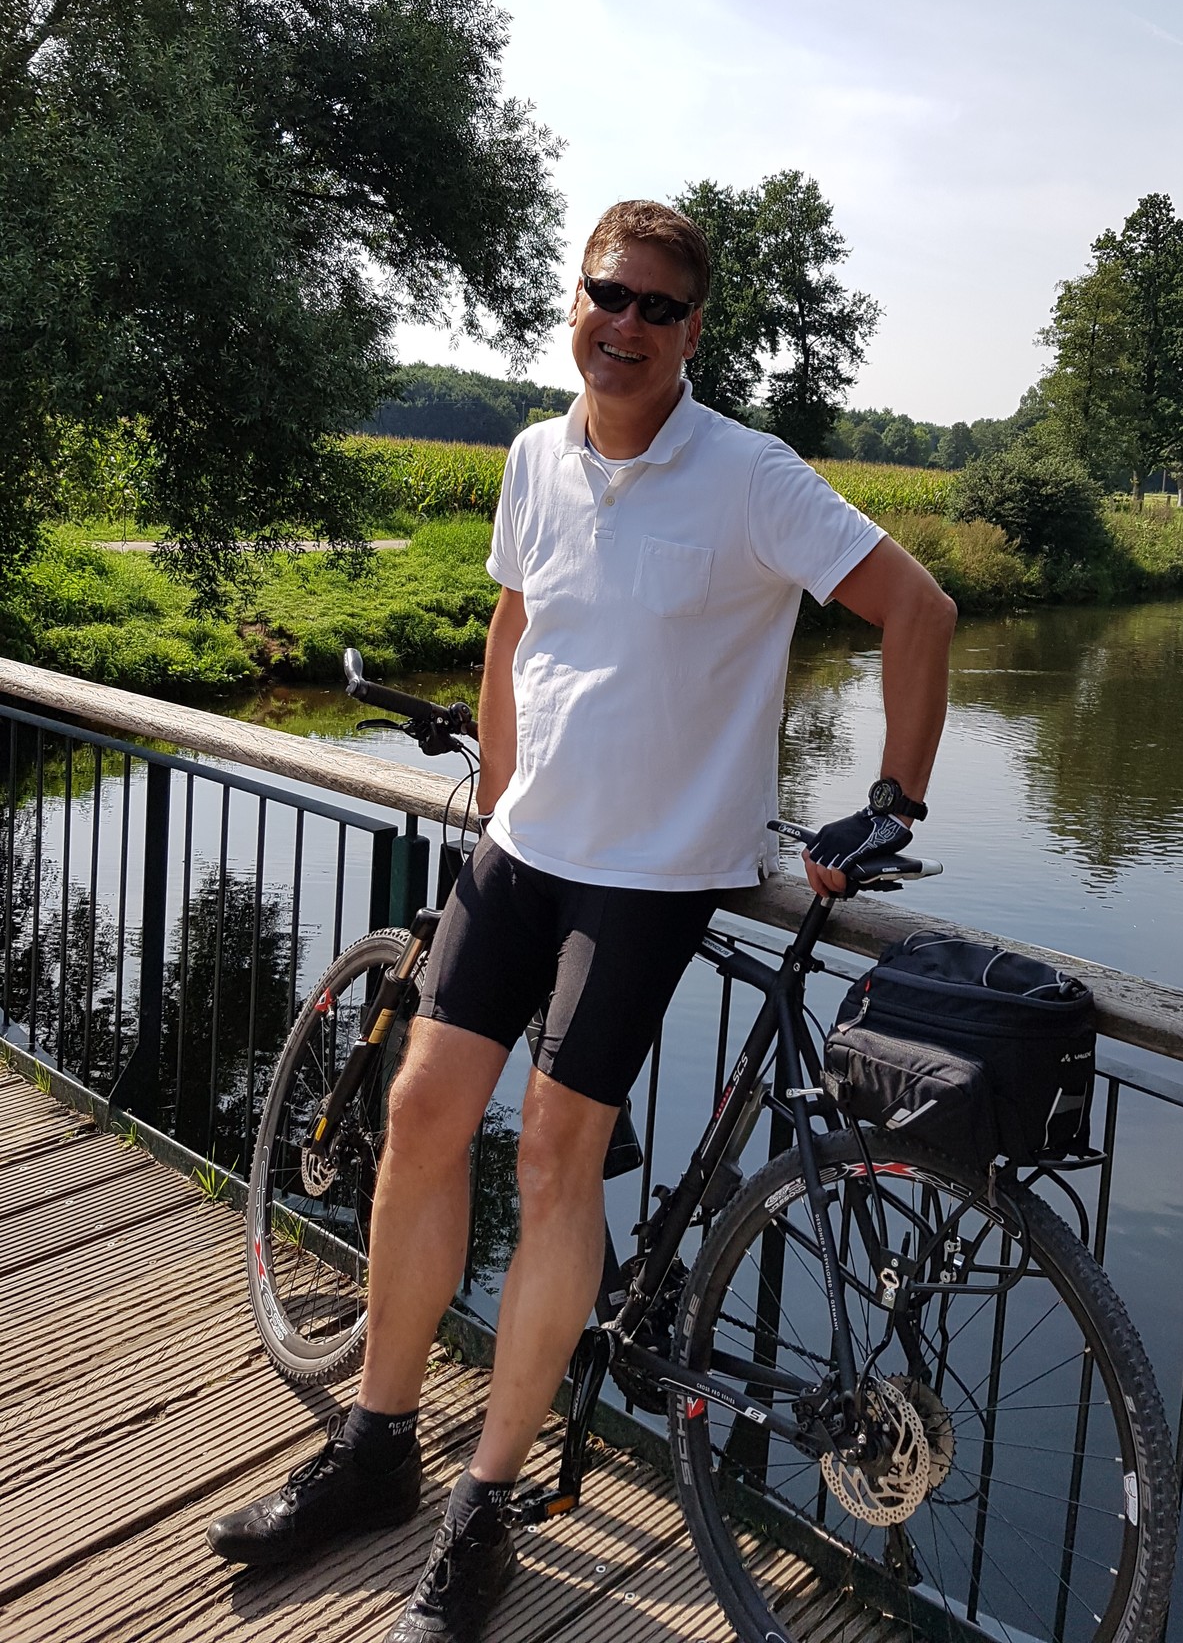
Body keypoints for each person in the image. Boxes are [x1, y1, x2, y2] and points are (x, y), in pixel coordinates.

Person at [207, 200, 957, 1642]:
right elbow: (515, 625)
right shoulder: (534, 457)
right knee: (423, 1111)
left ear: (693, 332)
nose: (625, 324)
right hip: (526, 847)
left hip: (655, 872)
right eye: (608, 295)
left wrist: (893, 803)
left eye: (657, 307)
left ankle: (486, 1505)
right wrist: (497, 789)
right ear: (576, 302)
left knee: (557, 1153)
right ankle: (375, 1448)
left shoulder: (749, 475)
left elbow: (917, 610)